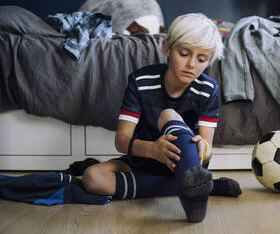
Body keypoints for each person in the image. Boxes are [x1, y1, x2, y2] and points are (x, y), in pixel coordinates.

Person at [82, 13, 241, 222]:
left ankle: (193, 191)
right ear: (167, 48)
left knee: (168, 115)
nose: (192, 64)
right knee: (92, 178)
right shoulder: (141, 81)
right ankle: (205, 187)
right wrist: (153, 150)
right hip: (145, 160)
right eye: (184, 53)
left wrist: (203, 148)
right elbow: (121, 140)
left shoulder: (208, 89)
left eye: (201, 59)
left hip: (186, 166)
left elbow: (208, 150)